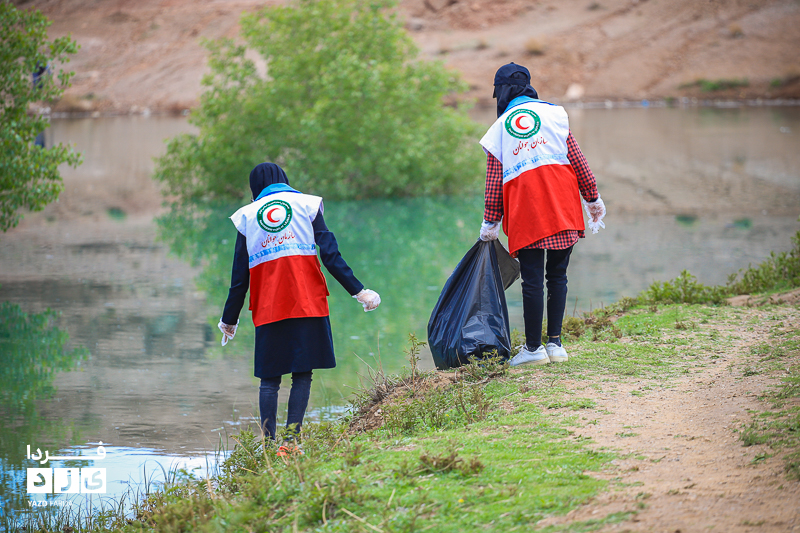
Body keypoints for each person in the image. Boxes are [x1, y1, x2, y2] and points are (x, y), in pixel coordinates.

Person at [218, 163, 381, 452]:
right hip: (307, 300)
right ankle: (291, 444)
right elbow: (330, 254)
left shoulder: (246, 216)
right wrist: (359, 291)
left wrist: (229, 319)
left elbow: (239, 276)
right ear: (284, 179)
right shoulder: (308, 204)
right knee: (302, 373)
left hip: (268, 305)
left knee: (269, 379)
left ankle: (268, 448)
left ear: (254, 187)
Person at [478, 63, 606, 367]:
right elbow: (577, 160)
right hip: (563, 206)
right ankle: (556, 344)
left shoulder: (498, 131)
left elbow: (495, 182)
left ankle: (533, 349)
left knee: (532, 281)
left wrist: (489, 223)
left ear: (502, 92)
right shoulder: (555, 114)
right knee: (558, 276)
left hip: (528, 212)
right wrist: (593, 199)